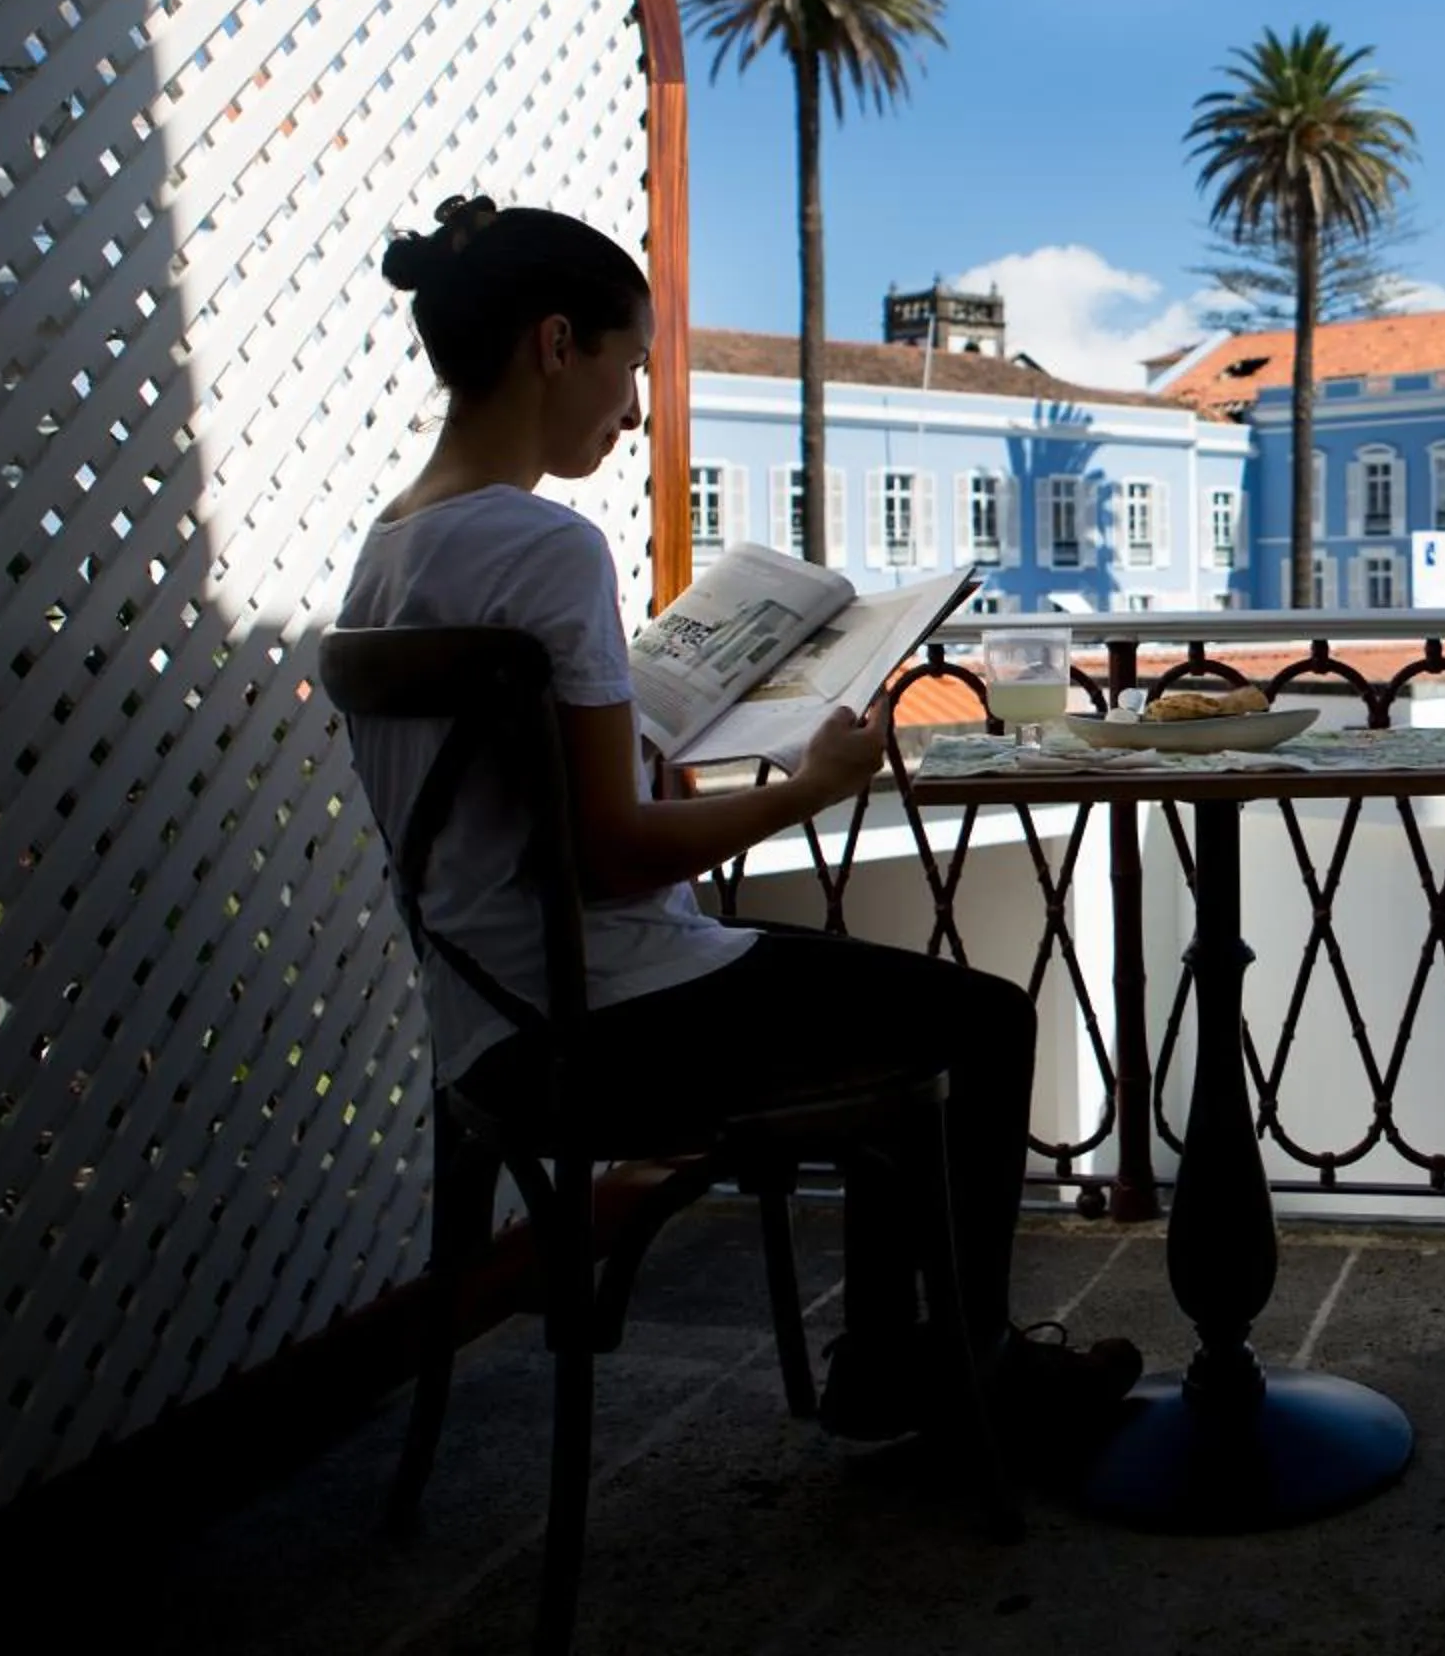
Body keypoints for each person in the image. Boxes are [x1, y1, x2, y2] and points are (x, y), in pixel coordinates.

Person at [336, 194, 1137, 1449]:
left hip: (493, 1025)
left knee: (883, 1009)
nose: (637, 408)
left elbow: (540, 825)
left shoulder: (388, 556)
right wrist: (810, 784)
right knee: (979, 1020)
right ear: (557, 345)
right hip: (612, 1016)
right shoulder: (544, 548)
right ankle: (952, 1364)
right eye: (628, 365)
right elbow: (608, 857)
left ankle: (899, 1362)